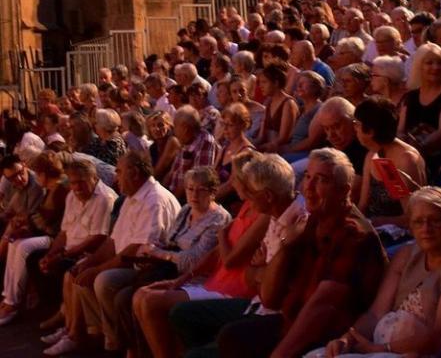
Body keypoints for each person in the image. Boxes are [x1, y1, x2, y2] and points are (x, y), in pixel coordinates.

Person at [171, 148, 387, 358]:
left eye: (322, 180)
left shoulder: (352, 234)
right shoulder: (315, 220)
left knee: (224, 340)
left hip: (325, 333)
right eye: (308, 177)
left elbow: (321, 307)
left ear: (344, 190)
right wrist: (275, 257)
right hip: (286, 313)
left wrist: (281, 353)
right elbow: (270, 295)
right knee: (188, 320)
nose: (308, 187)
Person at [131, 152, 270, 358]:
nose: (231, 183)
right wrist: (183, 278)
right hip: (215, 281)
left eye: (235, 177)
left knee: (151, 302)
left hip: (233, 288)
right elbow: (215, 254)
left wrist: (222, 235)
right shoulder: (247, 207)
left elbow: (230, 260)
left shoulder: (259, 213)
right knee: (140, 296)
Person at [43, 152, 181, 355]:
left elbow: (138, 249)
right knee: (80, 272)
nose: (116, 176)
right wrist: (90, 262)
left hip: (151, 267)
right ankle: (98, 335)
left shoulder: (154, 199)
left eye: (119, 171)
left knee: (104, 279)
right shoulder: (132, 197)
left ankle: (116, 343)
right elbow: (113, 240)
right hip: (130, 262)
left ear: (134, 173)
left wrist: (98, 268)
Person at [319, 187, 441, 357]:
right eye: (418, 221)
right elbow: (375, 314)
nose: (426, 228)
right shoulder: (406, 255)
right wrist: (348, 339)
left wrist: (381, 349)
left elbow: (440, 335)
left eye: (435, 221)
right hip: (381, 345)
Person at [37, 159, 118, 350]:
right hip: (71, 250)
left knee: (71, 275)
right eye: (73, 182)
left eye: (81, 182)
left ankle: (74, 333)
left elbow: (98, 238)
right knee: (40, 260)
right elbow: (64, 232)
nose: (77, 187)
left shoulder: (104, 199)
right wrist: (51, 254)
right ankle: (67, 324)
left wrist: (64, 254)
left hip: (91, 252)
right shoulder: (72, 196)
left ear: (94, 178)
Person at [0, 152, 68, 324]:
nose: (35, 177)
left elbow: (44, 220)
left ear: (44, 174)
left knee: (23, 247)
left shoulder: (58, 190)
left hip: (56, 237)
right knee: (14, 242)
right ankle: (8, 298)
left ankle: (13, 303)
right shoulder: (52, 189)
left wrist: (25, 223)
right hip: (47, 232)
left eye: (37, 173)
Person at [356, 97, 427, 228]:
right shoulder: (372, 155)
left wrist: (378, 222)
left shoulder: (404, 160)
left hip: (398, 235)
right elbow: (363, 205)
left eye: (357, 124)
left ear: (370, 132)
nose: (355, 129)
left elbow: (412, 217)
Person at [399, 43, 441, 181]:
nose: (435, 67)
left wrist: (419, 148)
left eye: (440, 63)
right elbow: (401, 129)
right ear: (419, 65)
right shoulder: (411, 96)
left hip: (440, 157)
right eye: (429, 63)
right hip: (410, 154)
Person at [165, 106, 216, 202]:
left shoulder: (205, 142)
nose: (173, 130)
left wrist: (171, 201)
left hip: (183, 200)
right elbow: (173, 172)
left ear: (185, 129)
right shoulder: (186, 140)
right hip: (171, 193)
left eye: (175, 126)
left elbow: (196, 181)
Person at [212, 103, 255, 209]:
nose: (225, 129)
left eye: (230, 125)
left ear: (242, 125)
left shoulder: (246, 152)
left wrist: (208, 198)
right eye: (224, 124)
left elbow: (231, 185)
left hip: (230, 205)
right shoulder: (225, 147)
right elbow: (212, 173)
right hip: (216, 198)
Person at [280, 71, 325, 162]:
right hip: (293, 151)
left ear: (315, 87)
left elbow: (312, 142)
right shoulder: (301, 109)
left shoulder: (320, 109)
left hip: (307, 155)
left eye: (303, 83)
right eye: (298, 84)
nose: (299, 86)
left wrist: (288, 149)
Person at [255, 63, 299, 153]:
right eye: (260, 82)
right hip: (267, 147)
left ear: (276, 83)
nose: (261, 86)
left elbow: (283, 138)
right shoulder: (268, 102)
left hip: (281, 150)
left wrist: (263, 148)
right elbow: (261, 136)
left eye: (264, 82)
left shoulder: (288, 103)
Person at [146, 111, 181, 183]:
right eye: (153, 126)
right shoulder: (152, 147)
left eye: (160, 125)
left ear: (169, 126)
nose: (157, 129)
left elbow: (159, 170)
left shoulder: (172, 141)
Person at [229, 75, 264, 142]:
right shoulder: (230, 111)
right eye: (234, 92)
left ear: (247, 91)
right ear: (231, 95)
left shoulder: (260, 111)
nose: (239, 95)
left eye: (242, 91)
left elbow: (256, 137)